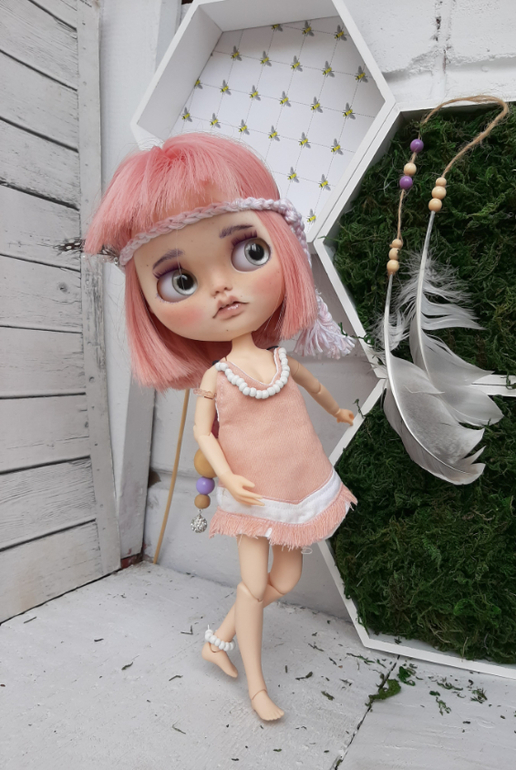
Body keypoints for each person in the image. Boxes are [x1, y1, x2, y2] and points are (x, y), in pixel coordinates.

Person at [84, 133, 356, 720]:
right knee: (255, 584)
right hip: (249, 491)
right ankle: (257, 687)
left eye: (249, 252)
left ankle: (218, 640)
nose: (222, 290)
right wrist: (228, 479)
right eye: (181, 281)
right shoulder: (219, 377)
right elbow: (203, 434)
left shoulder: (278, 360)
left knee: (286, 577)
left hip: (295, 483)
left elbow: (311, 386)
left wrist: (337, 411)